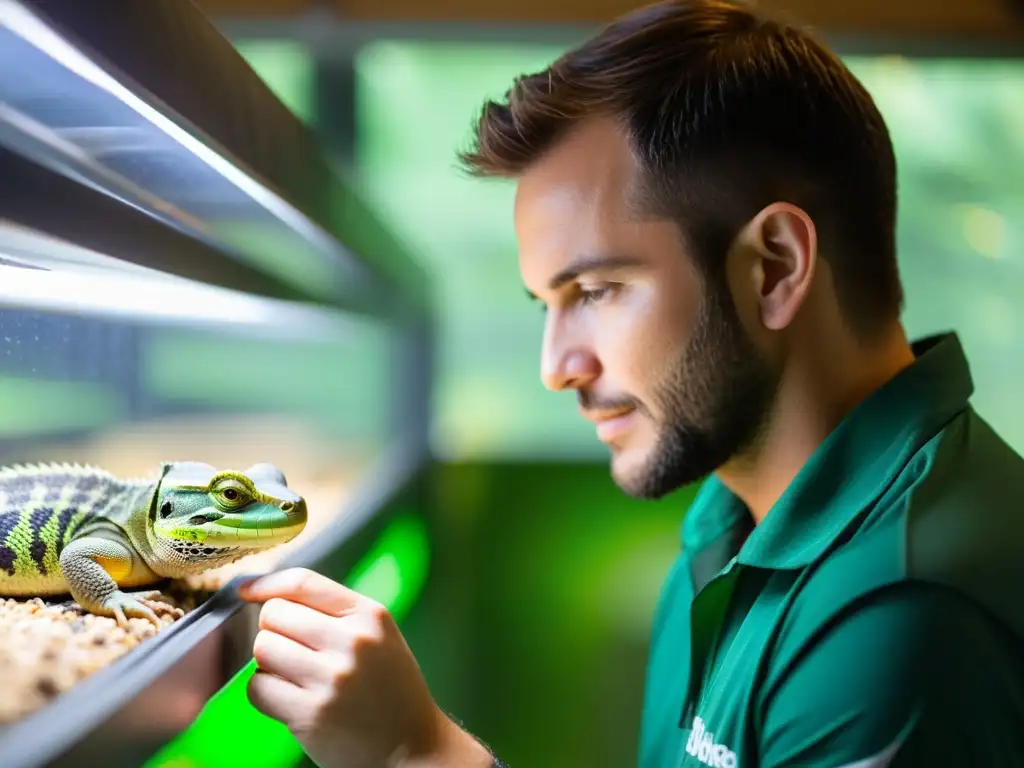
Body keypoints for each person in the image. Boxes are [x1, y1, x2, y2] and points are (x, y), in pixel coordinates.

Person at [237, 0, 1024, 765]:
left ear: (775, 267)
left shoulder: (905, 614)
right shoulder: (734, 518)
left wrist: (417, 754)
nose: (556, 368)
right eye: (547, 304)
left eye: (596, 290)